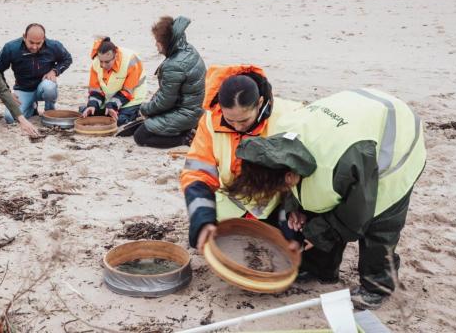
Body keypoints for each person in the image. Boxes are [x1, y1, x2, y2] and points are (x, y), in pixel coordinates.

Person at [226, 88, 426, 309]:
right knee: (318, 207)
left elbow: (357, 213)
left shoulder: (340, 162)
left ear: (291, 175)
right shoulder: (282, 135)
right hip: (353, 113)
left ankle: (377, 286)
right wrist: (295, 207)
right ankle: (320, 269)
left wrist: (318, 233)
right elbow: (294, 183)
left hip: (397, 139)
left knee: (379, 225)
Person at [180, 64, 302, 251]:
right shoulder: (210, 121)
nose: (237, 127)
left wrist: (295, 209)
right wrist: (203, 218)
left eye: (244, 120)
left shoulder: (290, 117)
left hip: (274, 201)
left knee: (296, 245)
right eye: (230, 121)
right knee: (198, 235)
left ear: (260, 103)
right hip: (231, 199)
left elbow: (303, 174)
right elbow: (197, 172)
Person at [132, 15, 206, 148]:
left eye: (157, 41)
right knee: (150, 120)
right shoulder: (187, 49)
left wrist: (145, 109)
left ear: (166, 43)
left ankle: (186, 139)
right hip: (196, 107)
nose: (155, 45)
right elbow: (169, 92)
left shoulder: (173, 64)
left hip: (187, 113)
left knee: (141, 136)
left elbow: (166, 101)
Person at [0, 23, 73, 123]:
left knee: (49, 87)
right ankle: (32, 108)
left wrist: (55, 71)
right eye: (31, 42)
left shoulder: (54, 46)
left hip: (43, 86)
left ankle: (49, 111)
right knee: (10, 117)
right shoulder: (11, 48)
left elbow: (67, 59)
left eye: (38, 43)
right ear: (24, 37)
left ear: (44, 39)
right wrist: (7, 92)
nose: (34, 47)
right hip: (23, 89)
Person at [81, 37, 147, 126]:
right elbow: (95, 90)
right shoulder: (96, 62)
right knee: (85, 113)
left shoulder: (131, 61)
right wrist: (92, 105)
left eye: (107, 62)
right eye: (101, 61)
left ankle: (137, 112)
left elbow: (128, 92)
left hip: (131, 98)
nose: (103, 65)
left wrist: (112, 105)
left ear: (115, 56)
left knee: (119, 121)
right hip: (109, 98)